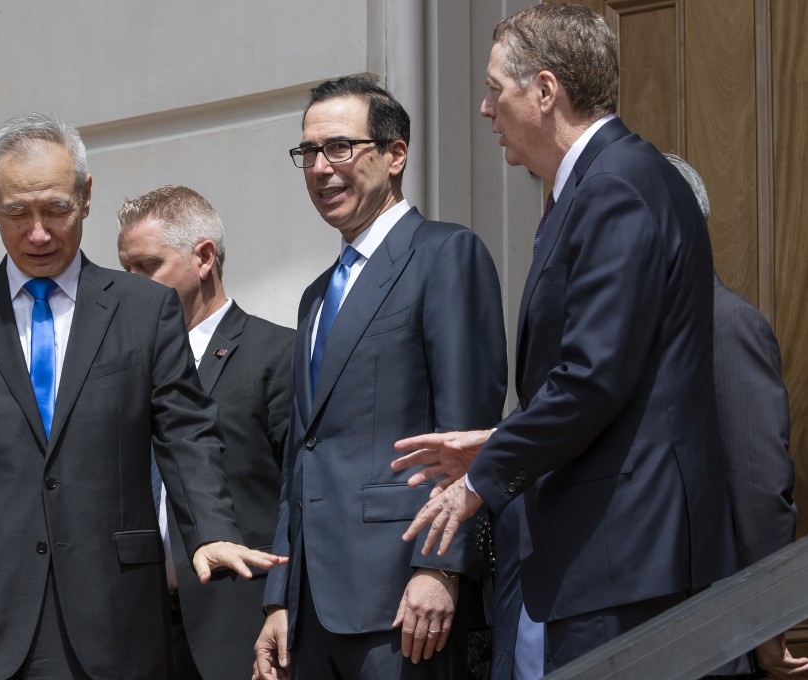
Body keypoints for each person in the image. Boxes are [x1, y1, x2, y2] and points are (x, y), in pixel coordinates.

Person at [392, 4, 738, 671]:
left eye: (495, 89)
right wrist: (496, 441)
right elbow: (616, 378)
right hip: (615, 553)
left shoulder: (616, 188)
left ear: (545, 91)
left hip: (630, 553)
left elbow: (593, 377)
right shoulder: (602, 184)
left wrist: (480, 482)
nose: (486, 109)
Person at [0, 113, 285, 680]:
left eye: (56, 209)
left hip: (116, 618)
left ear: (87, 195)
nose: (39, 232)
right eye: (17, 212)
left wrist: (212, 529)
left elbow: (186, 434)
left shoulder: (144, 309)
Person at [253, 76, 507, 680]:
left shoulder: (446, 255)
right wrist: (280, 597)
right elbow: (301, 457)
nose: (320, 168)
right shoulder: (316, 297)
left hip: (405, 601)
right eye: (308, 152)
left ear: (396, 156)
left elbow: (466, 432)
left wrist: (441, 569)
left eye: (339, 147)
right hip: (312, 610)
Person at [117, 185, 295, 680]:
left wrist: (283, 610)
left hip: (240, 629)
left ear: (203, 257)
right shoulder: (118, 370)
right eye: (124, 269)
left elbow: (299, 497)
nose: (132, 285)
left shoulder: (277, 354)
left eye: (147, 267)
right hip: (136, 634)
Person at [664, 153, 808, 678]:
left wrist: (766, 624)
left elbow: (759, 489)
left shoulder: (726, 327)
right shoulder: (625, 336)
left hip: (708, 637)